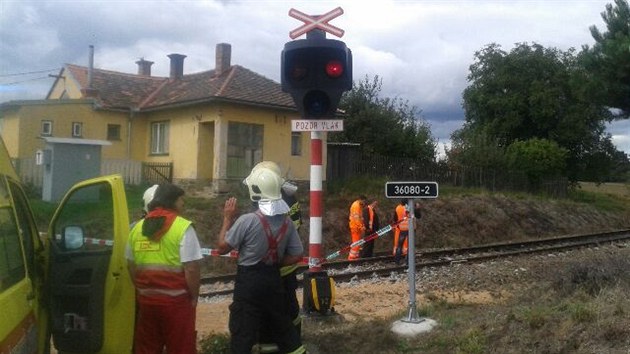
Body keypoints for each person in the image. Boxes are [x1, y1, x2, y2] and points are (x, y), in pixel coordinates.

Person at [216, 164, 306, 354]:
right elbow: (297, 254)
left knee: (243, 331)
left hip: (248, 283)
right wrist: (277, 262)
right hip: (274, 279)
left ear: (255, 191)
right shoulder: (286, 221)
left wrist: (227, 218)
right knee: (283, 326)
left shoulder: (246, 220)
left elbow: (222, 248)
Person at [126, 183, 202, 354]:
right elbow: (191, 268)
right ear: (171, 201)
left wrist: (142, 289)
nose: (184, 204)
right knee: (181, 348)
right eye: (182, 200)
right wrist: (194, 296)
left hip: (147, 302)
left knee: (147, 348)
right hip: (176, 303)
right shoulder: (183, 227)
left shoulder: (137, 228)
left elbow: (130, 265)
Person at [348, 195, 367, 260]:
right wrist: (361, 226)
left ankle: (355, 257)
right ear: (361, 200)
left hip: (356, 227)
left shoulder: (358, 206)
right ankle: (352, 258)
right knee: (356, 243)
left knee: (357, 243)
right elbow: (357, 219)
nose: (364, 203)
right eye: (364, 201)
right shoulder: (356, 206)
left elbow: (360, 217)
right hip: (355, 227)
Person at [392, 200, 410, 265]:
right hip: (409, 228)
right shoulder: (408, 207)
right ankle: (408, 261)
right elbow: (411, 215)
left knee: (399, 246)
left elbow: (395, 219)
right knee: (410, 246)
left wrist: (397, 227)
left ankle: (397, 261)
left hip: (401, 228)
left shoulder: (398, 208)